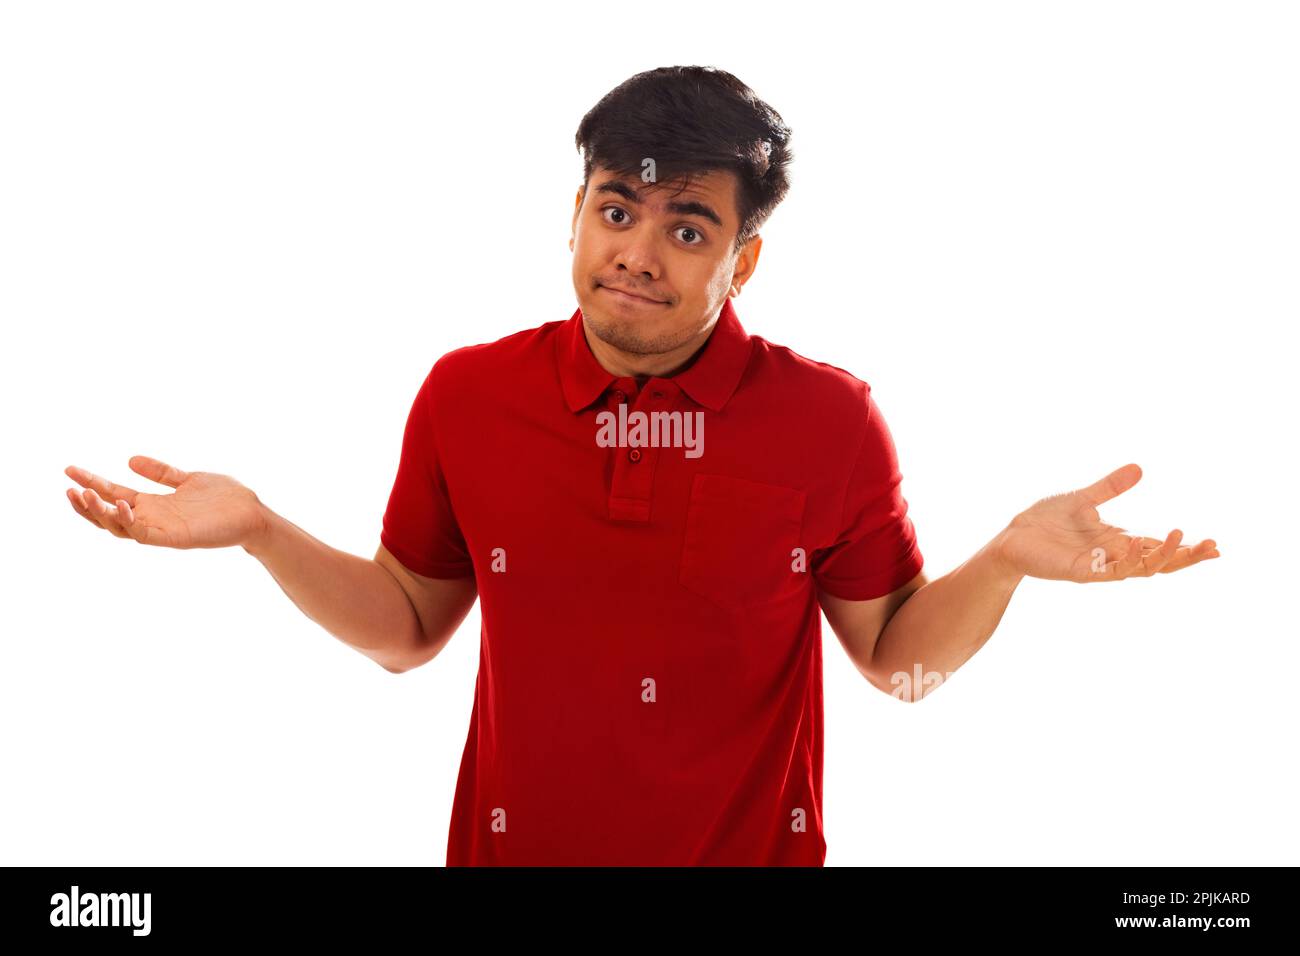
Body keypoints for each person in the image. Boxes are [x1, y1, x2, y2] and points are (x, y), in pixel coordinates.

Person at [63, 65, 1219, 866]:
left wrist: (1006, 560)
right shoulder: (466, 394)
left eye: (687, 227)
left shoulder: (831, 418)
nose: (637, 252)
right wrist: (264, 529)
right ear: (574, 213)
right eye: (617, 208)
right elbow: (409, 625)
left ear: (742, 256)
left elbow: (893, 659)